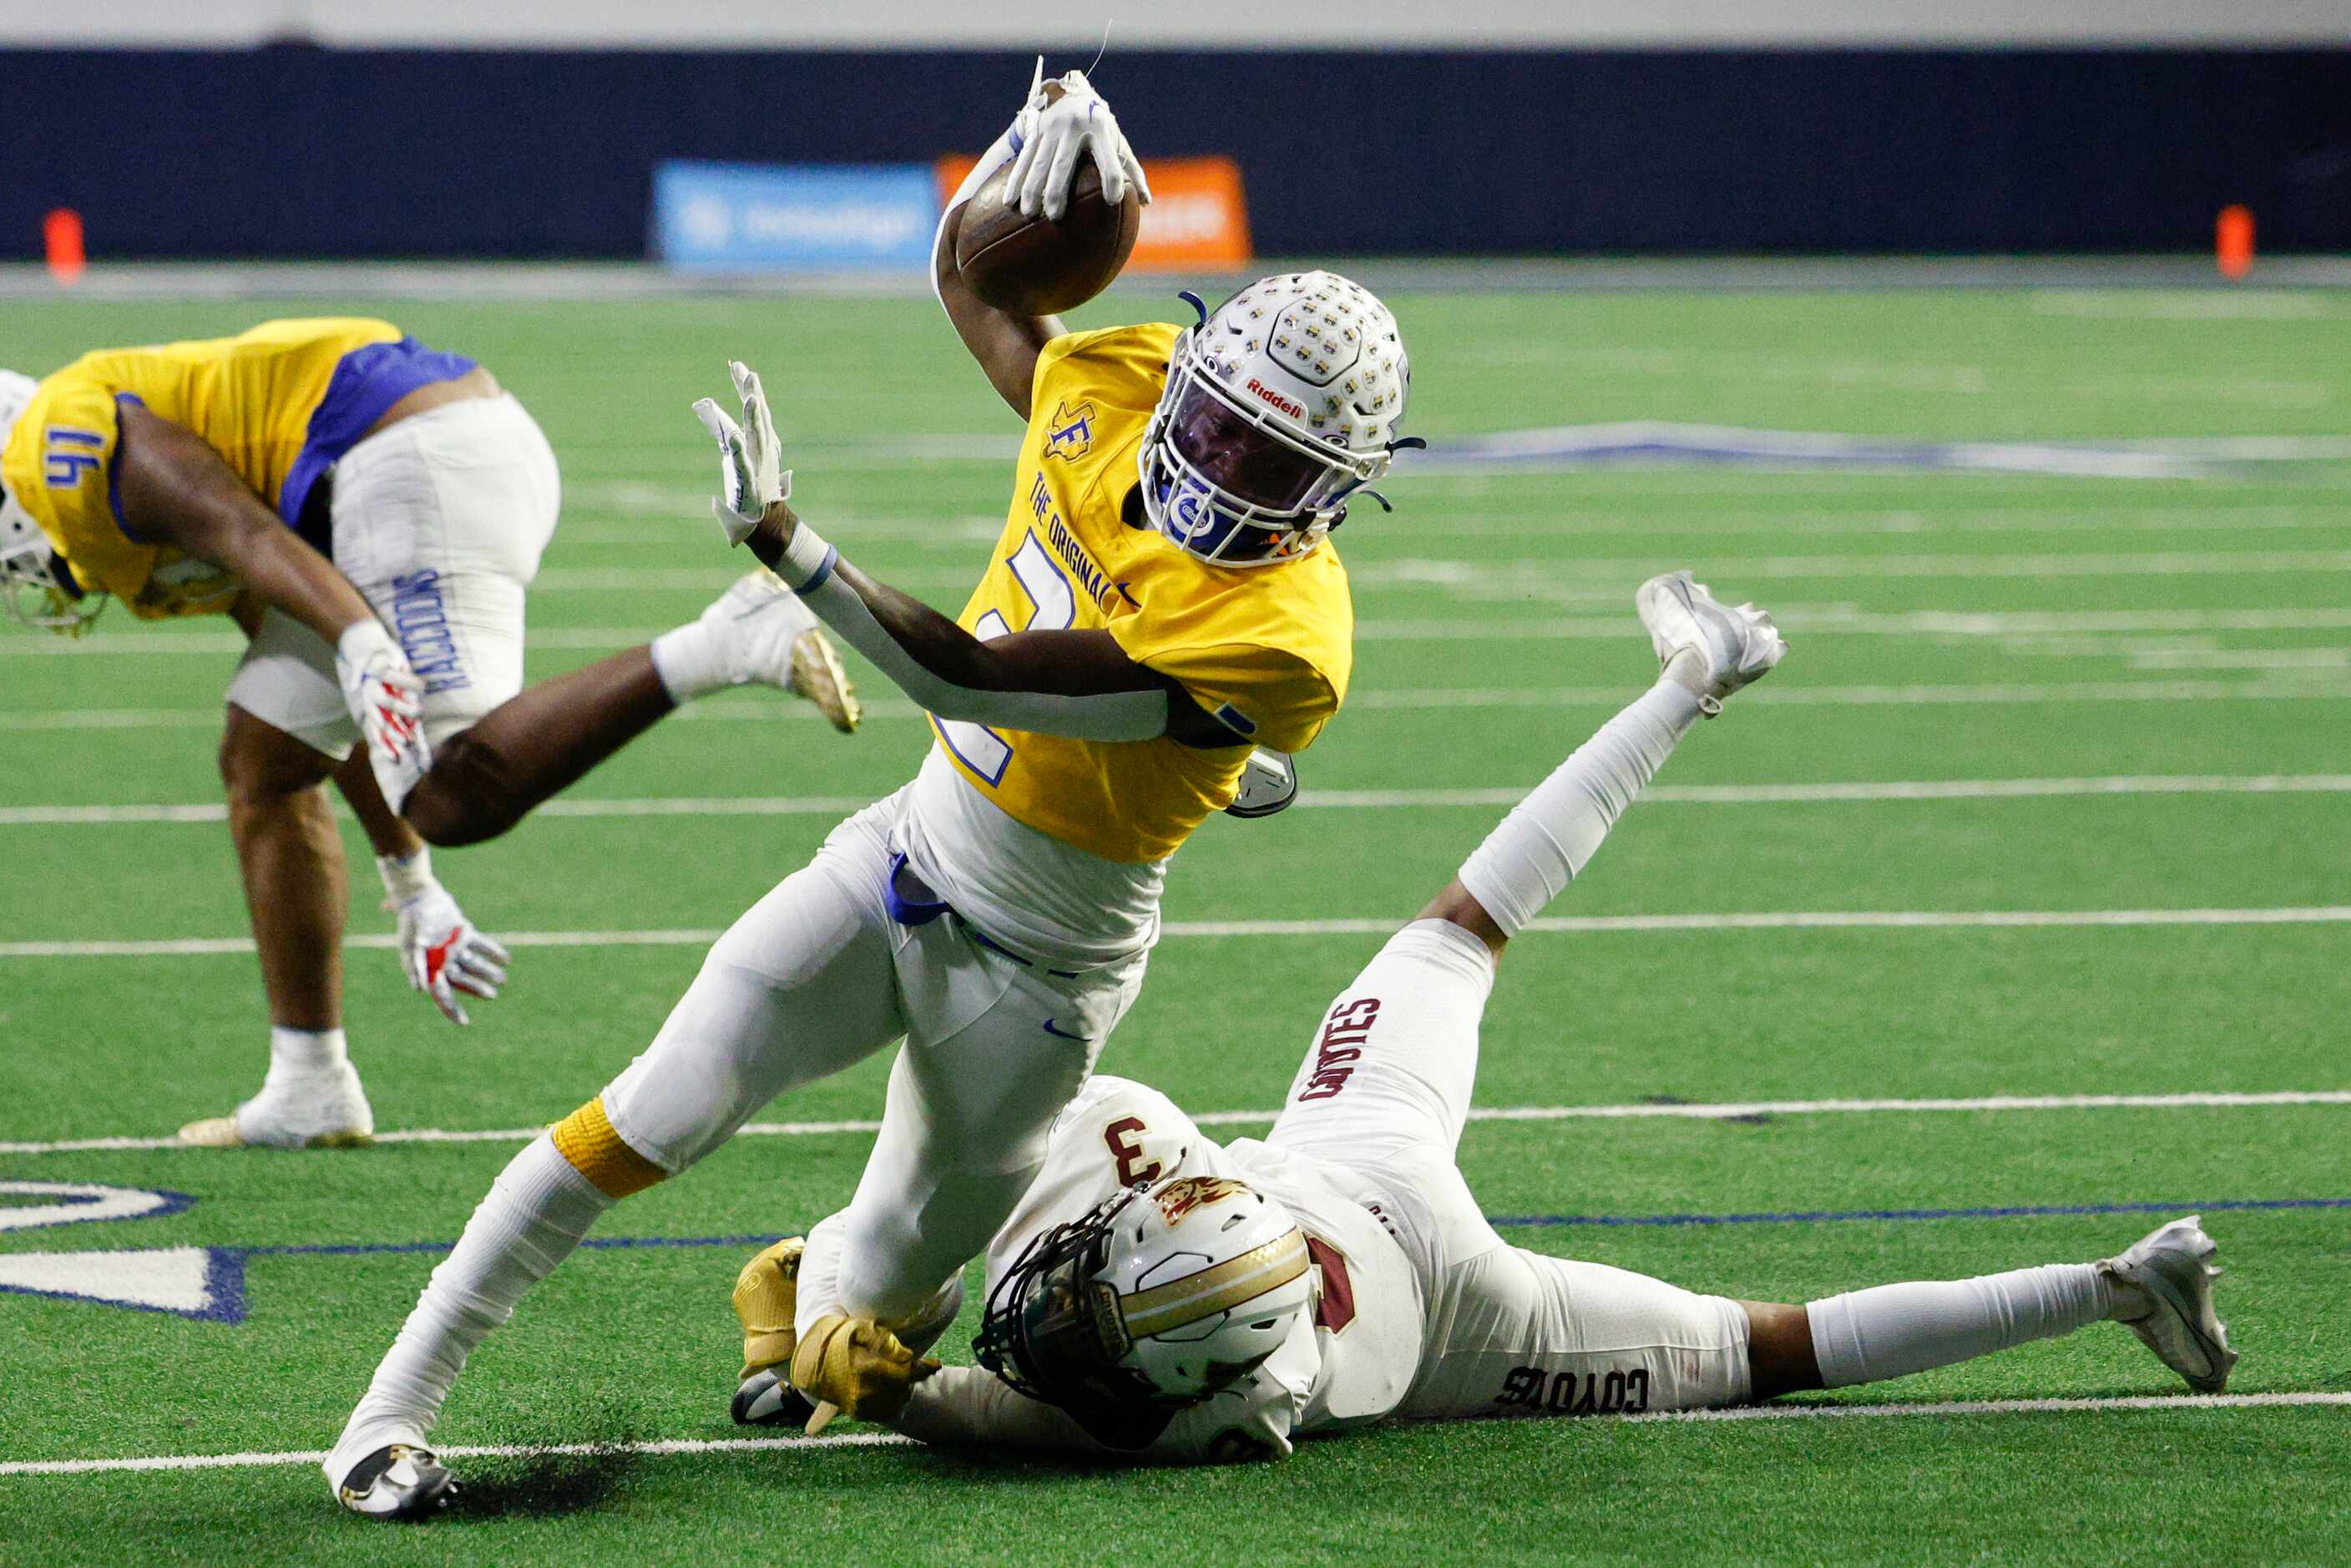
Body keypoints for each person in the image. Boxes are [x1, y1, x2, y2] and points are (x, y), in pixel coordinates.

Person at [323, 63, 1421, 1516]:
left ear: (1335, 487)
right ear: (1190, 376)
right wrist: (1024, 151)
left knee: (891, 1304)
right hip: (904, 851)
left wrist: (792, 549)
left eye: (1270, 459)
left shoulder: (1288, 633)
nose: (1222, 464)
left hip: (1042, 974)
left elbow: (973, 677)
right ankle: (384, 1418)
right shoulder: (1119, 379)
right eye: (1218, 422)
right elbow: (967, 277)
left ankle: (808, 1284)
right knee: (641, 1116)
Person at [728, 574, 2237, 1461]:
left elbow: (1042, 1418)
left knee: (1754, 1348)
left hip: (1445, 1301)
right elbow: (972, 1208)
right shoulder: (1139, 1161)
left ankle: (2116, 1286)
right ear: (1175, 1187)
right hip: (1349, 1173)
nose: (1058, 1297)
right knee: (1457, 929)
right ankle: (1692, 680)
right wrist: (866, 1316)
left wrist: (908, 1395)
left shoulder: (1237, 1397)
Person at [0, 321, 858, 1150]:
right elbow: (308, 652)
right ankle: (310, 1084)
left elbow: (245, 532)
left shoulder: (53, 449)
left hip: (413, 461)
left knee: (453, 794)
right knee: (266, 758)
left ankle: (724, 641)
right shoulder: (95, 492)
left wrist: (364, 644)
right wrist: (408, 882)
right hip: (401, 466)